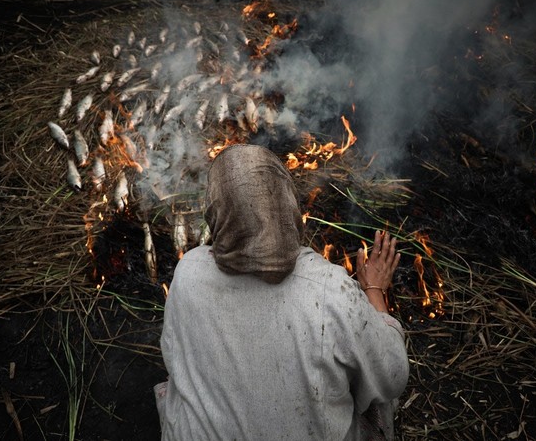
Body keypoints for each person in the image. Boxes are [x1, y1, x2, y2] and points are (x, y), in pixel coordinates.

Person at [156, 144, 409, 440]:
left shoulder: (189, 272)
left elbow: (173, 357)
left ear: (215, 213)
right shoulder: (330, 290)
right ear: (288, 204)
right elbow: (392, 376)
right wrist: (374, 289)